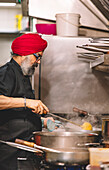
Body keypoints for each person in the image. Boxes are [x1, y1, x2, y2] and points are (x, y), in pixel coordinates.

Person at [0, 33, 53, 170]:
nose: (39, 61)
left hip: (24, 150)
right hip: (11, 154)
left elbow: (16, 109)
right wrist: (27, 102)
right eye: (38, 56)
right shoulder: (7, 73)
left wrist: (42, 121)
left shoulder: (23, 74)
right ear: (25, 53)